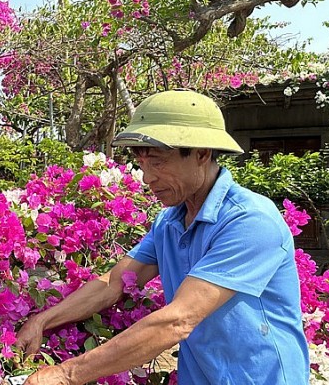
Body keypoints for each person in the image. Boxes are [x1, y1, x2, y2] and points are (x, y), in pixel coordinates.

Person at [15, 89, 309, 384]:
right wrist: (42, 320)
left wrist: (66, 374)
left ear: (201, 154)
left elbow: (178, 319)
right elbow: (114, 283)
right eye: (142, 164)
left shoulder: (249, 220)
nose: (147, 178)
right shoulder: (169, 222)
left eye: (158, 162)